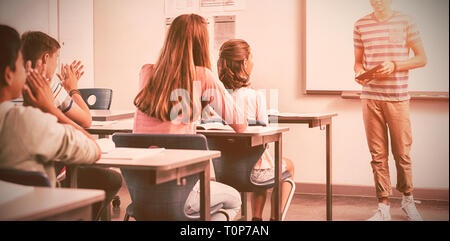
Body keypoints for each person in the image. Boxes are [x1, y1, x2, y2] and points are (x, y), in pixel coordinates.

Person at [133, 14, 247, 221]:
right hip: (181, 191)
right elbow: (240, 124)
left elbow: (162, 113)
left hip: (141, 194)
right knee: (234, 200)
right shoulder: (202, 75)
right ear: (202, 44)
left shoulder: (146, 72)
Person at [0, 25, 104, 219]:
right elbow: (92, 147)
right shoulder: (28, 121)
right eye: (21, 63)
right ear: (8, 74)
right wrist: (50, 108)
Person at [19, 30, 122, 220]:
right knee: (110, 178)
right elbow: (86, 120)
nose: (56, 64)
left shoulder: (16, 86)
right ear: (45, 58)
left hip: (16, 189)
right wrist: (73, 88)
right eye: (56, 58)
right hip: (50, 174)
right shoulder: (47, 87)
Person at [353, 0, 427, 221]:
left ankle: (407, 201)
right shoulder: (360, 25)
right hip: (370, 98)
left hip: (397, 98)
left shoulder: (406, 21)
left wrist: (395, 65)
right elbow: (357, 63)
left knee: (402, 153)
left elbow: (422, 58)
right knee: (378, 155)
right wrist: (360, 72)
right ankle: (383, 207)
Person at [217, 39, 296, 221]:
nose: (253, 63)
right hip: (254, 174)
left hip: (224, 171)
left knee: (255, 159)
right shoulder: (255, 96)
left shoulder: (214, 96)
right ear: (244, 63)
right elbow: (264, 136)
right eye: (251, 58)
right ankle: (273, 217)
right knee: (279, 162)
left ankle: (257, 218)